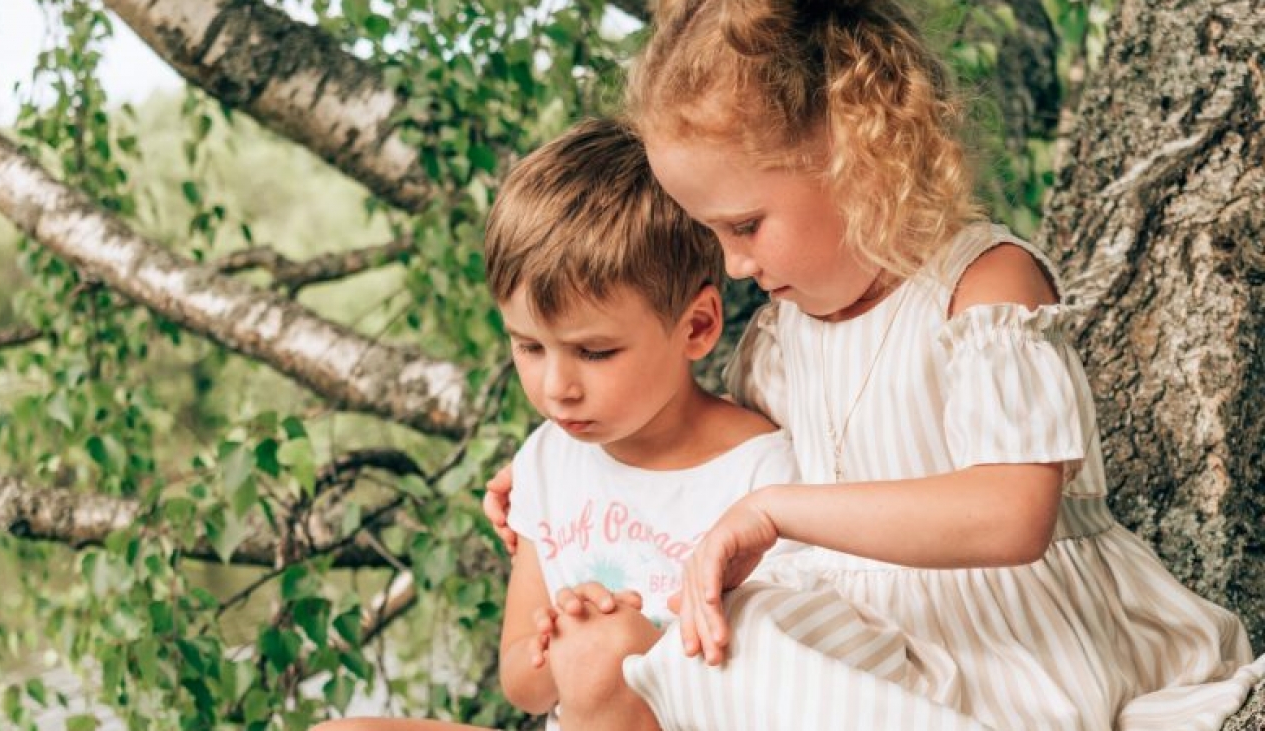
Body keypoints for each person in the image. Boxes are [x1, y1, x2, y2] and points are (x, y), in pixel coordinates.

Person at [483, 0, 1265, 729]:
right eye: (713, 231)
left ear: (858, 150)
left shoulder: (980, 289)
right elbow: (706, 445)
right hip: (881, 652)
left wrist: (778, 511)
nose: (733, 262)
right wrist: (569, 462)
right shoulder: (781, 343)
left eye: (746, 225)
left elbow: (1012, 512)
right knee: (710, 641)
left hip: (1019, 638)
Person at [314, 118, 799, 731]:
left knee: (604, 654)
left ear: (697, 328)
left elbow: (778, 687)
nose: (555, 388)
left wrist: (620, 650)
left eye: (594, 353)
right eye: (529, 347)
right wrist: (555, 641)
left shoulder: (764, 478)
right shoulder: (547, 459)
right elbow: (524, 688)